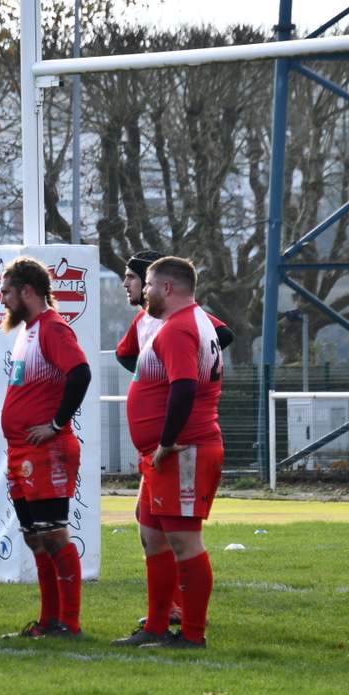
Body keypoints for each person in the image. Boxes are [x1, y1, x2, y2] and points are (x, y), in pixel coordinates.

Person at [115, 250, 233, 633]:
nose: (142, 290)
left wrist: (166, 441)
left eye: (146, 283)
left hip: (182, 449)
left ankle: (192, 633)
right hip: (164, 453)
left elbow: (184, 386)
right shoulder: (185, 321)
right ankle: (156, 625)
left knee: (184, 542)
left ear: (166, 287)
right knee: (152, 536)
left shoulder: (181, 327)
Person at [0, 257, 92, 640]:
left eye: (6, 292)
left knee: (53, 535)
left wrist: (54, 424)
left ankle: (69, 622)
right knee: (35, 537)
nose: (3, 300)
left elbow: (80, 372)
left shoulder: (53, 328)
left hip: (46, 453)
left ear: (27, 292)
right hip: (22, 454)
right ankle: (49, 620)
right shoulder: (29, 330)